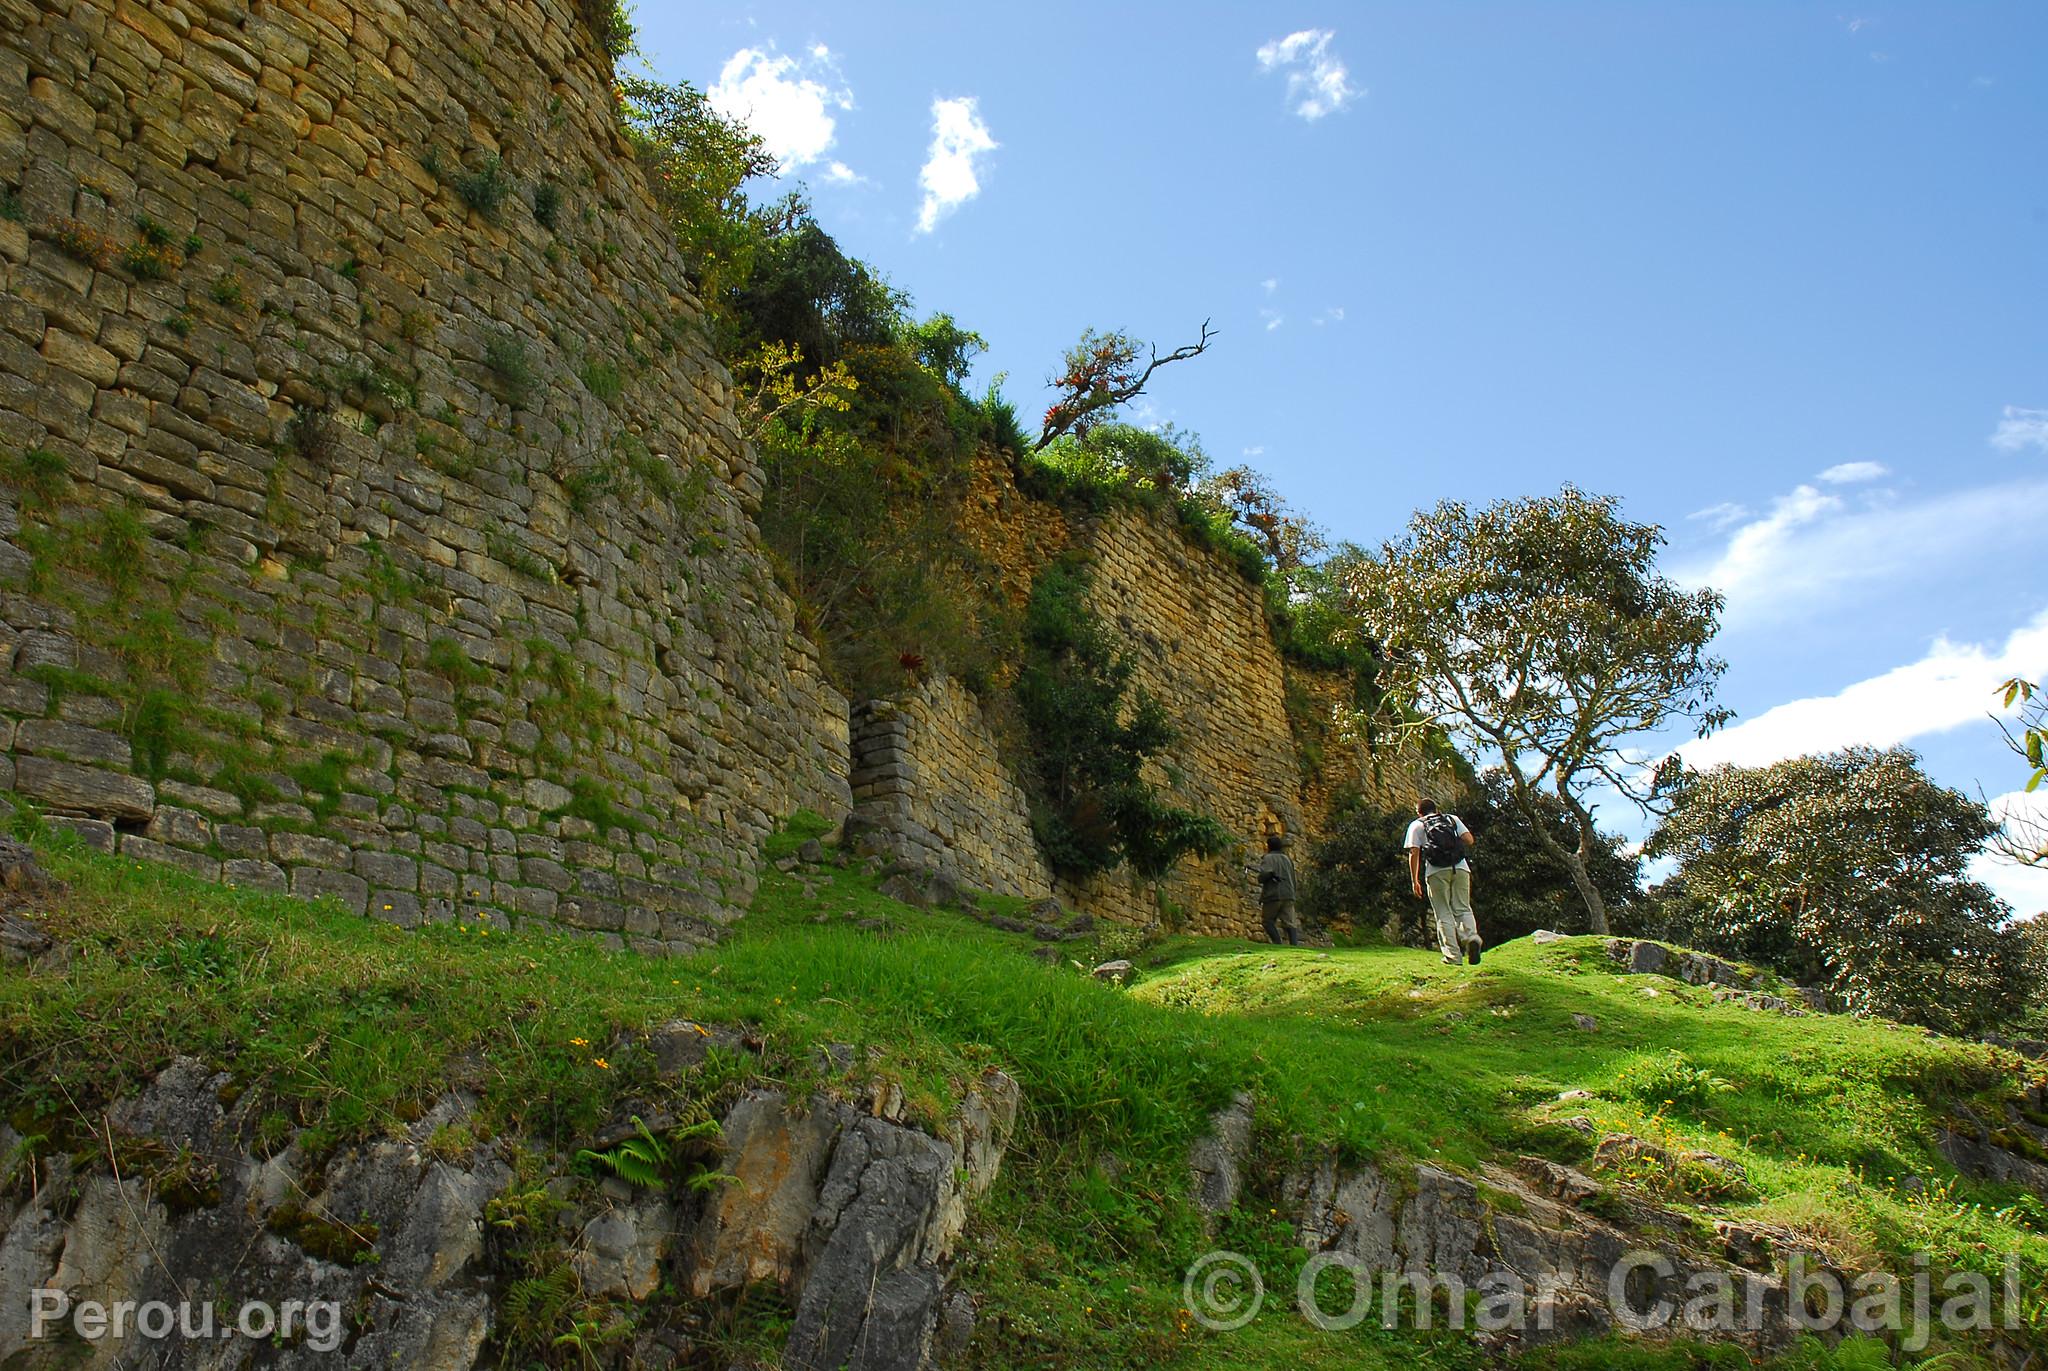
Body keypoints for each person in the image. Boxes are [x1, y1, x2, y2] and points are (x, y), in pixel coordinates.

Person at [1404, 798, 1481, 965]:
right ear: (1436, 809)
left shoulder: (1417, 825)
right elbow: (1469, 840)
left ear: (1419, 812)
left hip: (1436, 870)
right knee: (1463, 908)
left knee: (1443, 913)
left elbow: (1414, 852)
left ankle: (1453, 957)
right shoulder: (1451, 819)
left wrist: (1414, 880)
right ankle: (1472, 937)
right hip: (1460, 867)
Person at [1253, 833, 1303, 946]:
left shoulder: (1268, 858)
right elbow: (1292, 877)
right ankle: (1294, 945)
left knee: (1268, 921)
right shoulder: (1287, 859)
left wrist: (1261, 878)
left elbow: (1264, 875)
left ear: (1269, 846)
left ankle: (1277, 943)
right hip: (1289, 893)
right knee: (1290, 922)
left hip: (1273, 894)